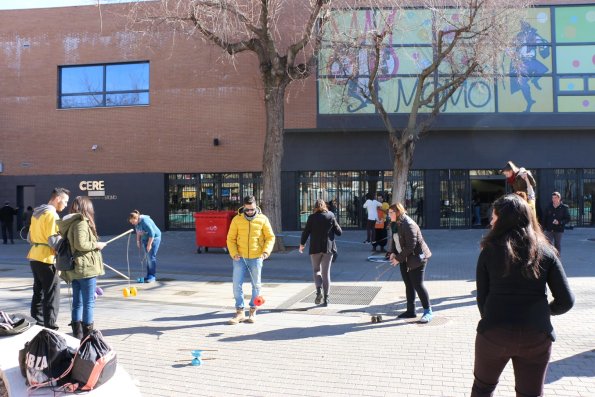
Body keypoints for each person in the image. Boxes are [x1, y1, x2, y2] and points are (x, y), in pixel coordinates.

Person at [471, 194, 574, 397]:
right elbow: (566, 301)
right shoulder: (545, 251)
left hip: (494, 332)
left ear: (503, 219)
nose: (491, 221)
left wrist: (492, 318)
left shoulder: (489, 251)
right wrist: (545, 312)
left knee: (482, 389)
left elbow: (482, 299)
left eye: (494, 217)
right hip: (536, 335)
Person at [57, 196, 106, 339]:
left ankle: (77, 334)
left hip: (75, 268)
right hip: (85, 268)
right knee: (88, 302)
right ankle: (87, 335)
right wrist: (97, 245)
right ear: (87, 208)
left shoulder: (71, 222)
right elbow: (81, 244)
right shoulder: (81, 223)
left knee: (77, 302)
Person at [226, 195, 275, 324]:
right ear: (243, 208)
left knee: (256, 285)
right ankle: (240, 311)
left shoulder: (263, 219)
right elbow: (230, 238)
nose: (249, 212)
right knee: (237, 284)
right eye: (247, 210)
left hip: (256, 257)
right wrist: (234, 253)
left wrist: (265, 252)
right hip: (240, 257)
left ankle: (253, 310)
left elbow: (270, 237)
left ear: (256, 207)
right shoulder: (237, 220)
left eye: (252, 209)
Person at [27, 187, 70, 330]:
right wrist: (67, 247)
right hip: (47, 258)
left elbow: (29, 237)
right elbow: (54, 240)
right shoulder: (52, 215)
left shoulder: (36, 213)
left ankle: (36, 324)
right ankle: (51, 328)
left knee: (38, 292)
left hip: (34, 255)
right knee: (52, 293)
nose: (65, 205)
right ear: (57, 199)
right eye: (65, 201)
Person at [388, 203, 433, 323]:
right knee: (409, 284)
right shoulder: (395, 224)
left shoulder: (408, 224)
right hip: (405, 258)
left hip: (417, 258)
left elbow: (411, 246)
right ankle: (411, 311)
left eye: (391, 213)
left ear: (398, 212)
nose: (389, 215)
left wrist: (398, 258)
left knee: (418, 284)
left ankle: (428, 311)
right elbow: (395, 239)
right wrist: (393, 252)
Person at [299, 199, 343, 306]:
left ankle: (318, 290)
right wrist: (334, 225)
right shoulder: (331, 215)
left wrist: (302, 245)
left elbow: (306, 232)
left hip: (315, 248)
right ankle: (326, 298)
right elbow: (339, 232)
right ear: (325, 206)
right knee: (326, 273)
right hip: (328, 248)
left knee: (316, 270)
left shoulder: (311, 218)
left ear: (315, 207)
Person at [128, 210, 162, 283]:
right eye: (131, 222)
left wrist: (149, 245)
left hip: (154, 238)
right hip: (145, 238)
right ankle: (148, 275)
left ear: (136, 219)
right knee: (147, 257)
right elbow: (138, 232)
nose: (132, 223)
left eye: (133, 222)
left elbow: (152, 234)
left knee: (151, 257)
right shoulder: (136, 222)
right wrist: (138, 241)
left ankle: (152, 276)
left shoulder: (145, 222)